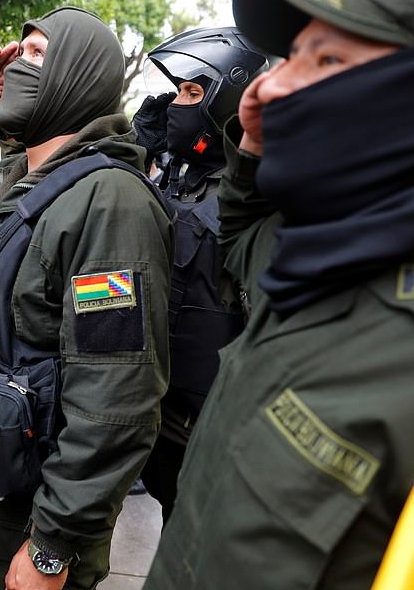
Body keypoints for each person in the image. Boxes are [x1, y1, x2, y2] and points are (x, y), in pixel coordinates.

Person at [146, 0, 414, 588]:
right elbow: (237, 235)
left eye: (326, 59)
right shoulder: (318, 251)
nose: (268, 86)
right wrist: (254, 152)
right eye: (289, 57)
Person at [0, 7, 172, 590]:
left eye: (34, 55)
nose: (13, 64)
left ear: (76, 77)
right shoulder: (19, 184)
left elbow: (117, 395)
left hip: (46, 512)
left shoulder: (109, 202)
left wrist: (54, 544)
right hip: (1, 485)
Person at [132, 27, 267, 521]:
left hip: (211, 423)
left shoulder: (251, 195)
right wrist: (135, 150)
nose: (176, 105)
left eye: (192, 92)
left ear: (225, 97)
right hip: (160, 412)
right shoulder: (176, 179)